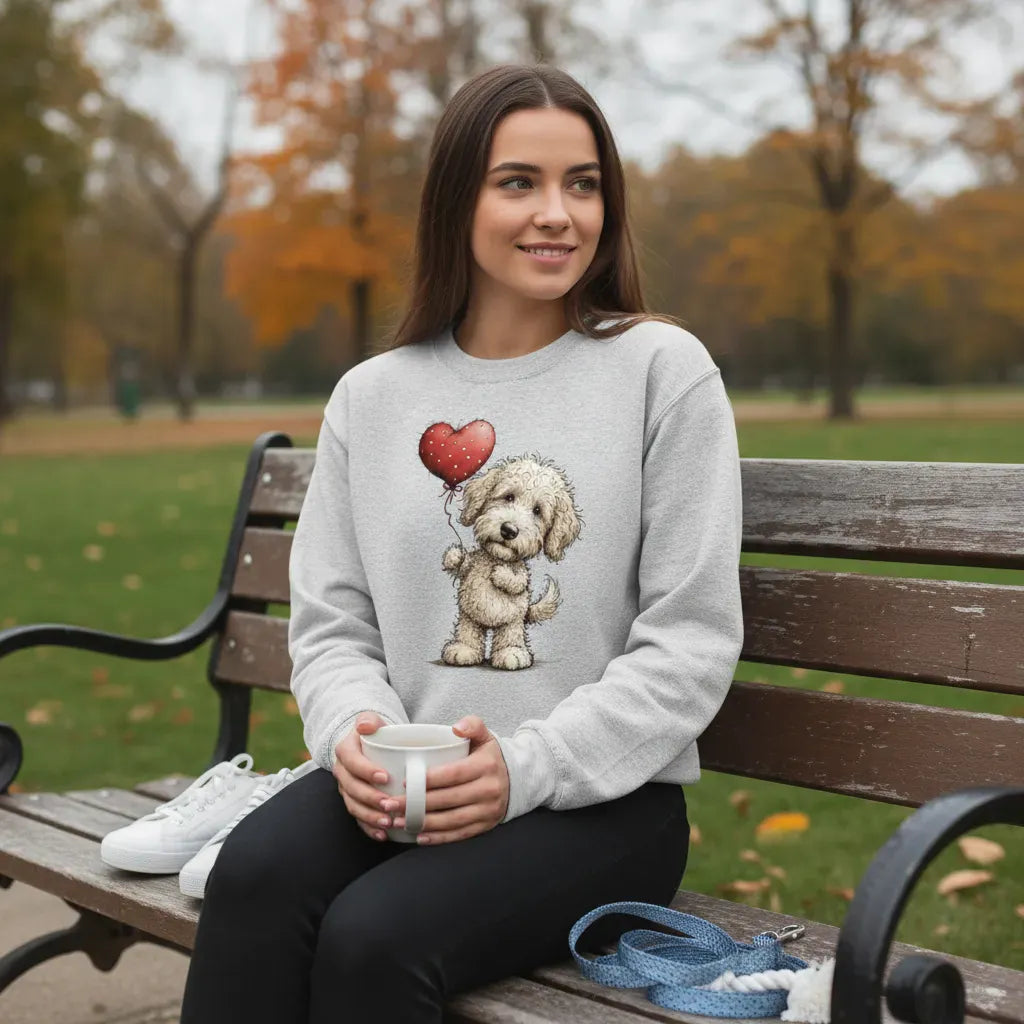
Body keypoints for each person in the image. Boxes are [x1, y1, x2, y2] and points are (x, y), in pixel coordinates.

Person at [179, 62, 744, 1024]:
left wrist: (524, 771)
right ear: (458, 200)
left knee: (374, 937)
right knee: (253, 878)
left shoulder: (661, 371)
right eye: (518, 181)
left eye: (584, 184)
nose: (558, 214)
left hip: (598, 804)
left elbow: (690, 640)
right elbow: (332, 622)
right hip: (402, 777)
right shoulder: (373, 394)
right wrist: (352, 737)